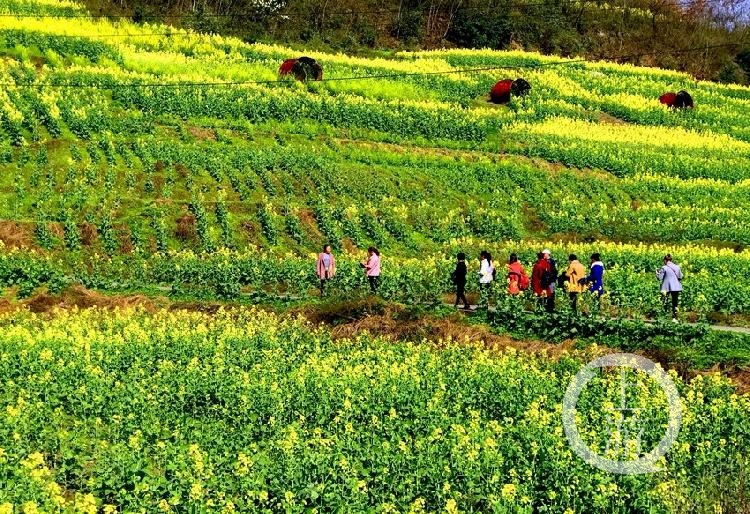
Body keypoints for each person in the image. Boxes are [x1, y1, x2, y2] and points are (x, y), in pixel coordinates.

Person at [657, 254, 683, 321]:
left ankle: (664, 316)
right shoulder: (677, 267)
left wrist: (657, 273)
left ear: (665, 260)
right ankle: (675, 318)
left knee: (664, 301)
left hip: (666, 287)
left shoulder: (664, 268)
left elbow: (660, 278)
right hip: (676, 287)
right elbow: (680, 277)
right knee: (675, 302)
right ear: (671, 260)